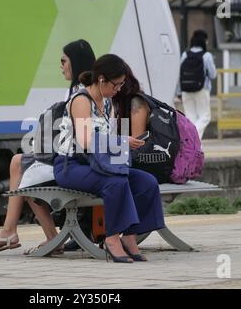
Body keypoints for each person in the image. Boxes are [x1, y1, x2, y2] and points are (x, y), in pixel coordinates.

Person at [0, 39, 96, 254]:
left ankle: (17, 233)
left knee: (24, 169)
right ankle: (21, 233)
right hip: (77, 158)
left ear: (75, 62)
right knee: (23, 166)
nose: (60, 65)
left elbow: (80, 136)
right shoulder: (81, 90)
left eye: (63, 60)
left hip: (77, 162)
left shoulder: (81, 93)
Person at [53, 54, 166, 263]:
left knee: (147, 182)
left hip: (99, 163)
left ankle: (129, 236)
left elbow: (110, 138)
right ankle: (111, 237)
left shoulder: (107, 104)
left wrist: (125, 143)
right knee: (116, 182)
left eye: (121, 84)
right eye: (116, 84)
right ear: (102, 79)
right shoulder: (81, 100)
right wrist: (123, 141)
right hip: (71, 166)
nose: (119, 89)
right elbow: (86, 141)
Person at [178, 29, 217, 139]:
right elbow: (213, 74)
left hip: (185, 90)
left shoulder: (185, 54)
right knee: (205, 116)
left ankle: (194, 146)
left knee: (191, 119)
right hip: (201, 90)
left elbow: (179, 73)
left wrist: (178, 91)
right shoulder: (206, 55)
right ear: (204, 41)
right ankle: (193, 140)